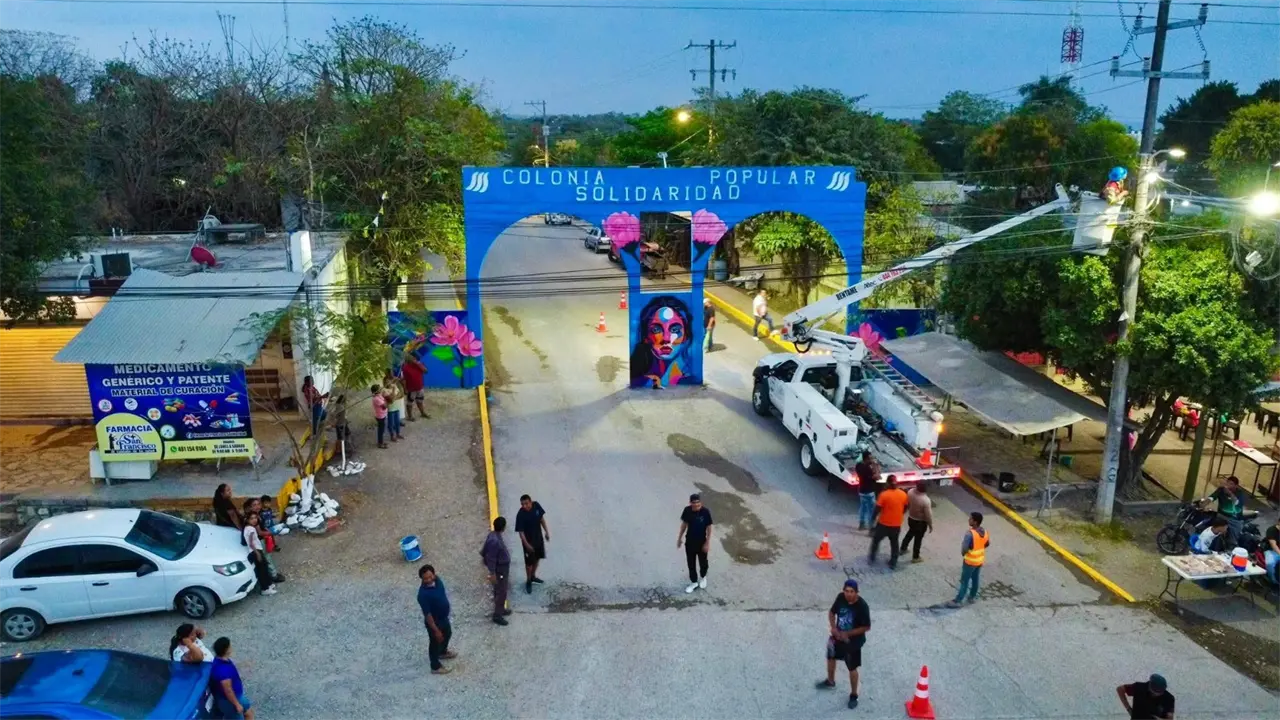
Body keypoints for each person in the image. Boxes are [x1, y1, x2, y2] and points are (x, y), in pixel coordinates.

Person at [815, 579, 871, 710]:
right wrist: (833, 627)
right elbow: (831, 612)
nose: (848, 594)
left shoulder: (862, 606)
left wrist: (848, 633)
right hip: (837, 636)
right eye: (846, 591)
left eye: (851, 592)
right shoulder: (840, 598)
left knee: (852, 668)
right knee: (830, 657)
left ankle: (854, 695)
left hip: (853, 642)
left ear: (857, 592)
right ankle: (830, 681)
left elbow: (866, 627)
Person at [418, 564, 456, 675]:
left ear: (434, 574)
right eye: (425, 578)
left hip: (444, 618)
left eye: (430, 576)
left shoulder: (437, 581)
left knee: (448, 634)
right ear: (422, 579)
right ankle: (435, 666)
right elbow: (428, 615)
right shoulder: (422, 595)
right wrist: (436, 630)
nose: (429, 580)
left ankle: (442, 652)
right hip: (435, 623)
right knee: (434, 643)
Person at [947, 512, 989, 607]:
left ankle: (958, 600)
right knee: (975, 579)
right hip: (979, 560)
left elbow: (964, 549)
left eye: (970, 519)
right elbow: (987, 543)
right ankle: (972, 596)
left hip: (970, 562)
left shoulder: (970, 534)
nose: (968, 520)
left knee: (964, 581)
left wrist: (965, 553)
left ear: (975, 522)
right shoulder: (985, 532)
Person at [868, 475, 908, 569]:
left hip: (883, 524)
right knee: (894, 543)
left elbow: (877, 509)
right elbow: (906, 506)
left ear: (888, 483)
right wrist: (900, 513)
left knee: (876, 540)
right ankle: (893, 563)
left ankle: (872, 557)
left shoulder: (884, 494)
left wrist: (872, 520)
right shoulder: (903, 494)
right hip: (896, 524)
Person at [210, 637, 254, 720]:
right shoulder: (223, 671)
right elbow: (228, 690)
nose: (231, 647)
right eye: (230, 646)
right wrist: (237, 705)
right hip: (230, 701)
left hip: (237, 695)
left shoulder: (220, 660)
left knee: (248, 713)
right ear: (226, 650)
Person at [677, 493, 714, 594]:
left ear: (700, 503)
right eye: (695, 504)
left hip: (701, 542)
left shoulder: (705, 512)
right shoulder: (687, 511)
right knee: (691, 563)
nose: (697, 506)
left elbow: (709, 527)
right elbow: (684, 525)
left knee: (703, 562)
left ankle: (703, 577)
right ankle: (693, 582)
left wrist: (707, 542)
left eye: (699, 504)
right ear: (691, 503)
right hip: (690, 542)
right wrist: (679, 538)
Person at [514, 495, 550, 594]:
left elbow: (541, 519)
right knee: (529, 564)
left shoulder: (536, 505)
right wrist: (527, 545)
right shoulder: (520, 515)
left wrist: (546, 532)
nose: (524, 506)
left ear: (531, 502)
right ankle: (528, 580)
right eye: (522, 504)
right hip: (528, 543)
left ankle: (533, 576)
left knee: (537, 558)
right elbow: (521, 533)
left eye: (526, 503)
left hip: (538, 539)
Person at [481, 516, 512, 626]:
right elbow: (491, 558)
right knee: (501, 591)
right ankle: (497, 615)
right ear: (503, 527)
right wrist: (493, 573)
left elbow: (485, 551)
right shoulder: (495, 541)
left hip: (501, 568)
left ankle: (501, 609)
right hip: (500, 570)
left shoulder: (493, 535)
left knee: (499, 590)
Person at [244, 498, 284, 583]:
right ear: (250, 507)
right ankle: (274, 575)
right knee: (267, 557)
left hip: (261, 540)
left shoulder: (258, 515)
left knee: (267, 557)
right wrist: (271, 532)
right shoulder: (253, 518)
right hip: (259, 541)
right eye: (254, 505)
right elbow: (260, 532)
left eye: (258, 504)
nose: (257, 506)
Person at [1204, 475, 1247, 545]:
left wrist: (1229, 493)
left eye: (1231, 484)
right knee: (1214, 529)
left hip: (1234, 518)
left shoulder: (1240, 493)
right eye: (1228, 483)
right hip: (1221, 515)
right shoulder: (1221, 490)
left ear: (1236, 486)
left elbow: (1237, 503)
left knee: (1233, 538)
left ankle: (1232, 545)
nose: (1228, 485)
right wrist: (1205, 502)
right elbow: (1212, 497)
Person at [242, 512, 277, 596]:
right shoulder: (250, 529)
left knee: (264, 567)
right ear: (247, 520)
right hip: (256, 550)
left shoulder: (248, 528)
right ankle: (265, 588)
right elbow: (251, 543)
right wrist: (257, 553)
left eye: (255, 518)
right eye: (252, 518)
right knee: (262, 570)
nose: (254, 520)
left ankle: (268, 584)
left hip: (257, 549)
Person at [900, 482, 934, 563]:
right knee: (918, 540)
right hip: (920, 523)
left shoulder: (910, 492)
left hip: (911, 518)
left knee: (910, 533)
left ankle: (903, 548)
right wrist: (930, 525)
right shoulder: (926, 500)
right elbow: (928, 515)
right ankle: (916, 557)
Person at [853, 452, 879, 531]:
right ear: (866, 459)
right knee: (871, 510)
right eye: (870, 458)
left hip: (861, 491)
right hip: (869, 492)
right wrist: (875, 465)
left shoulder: (858, 466)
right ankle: (871, 527)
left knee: (863, 508)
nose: (871, 459)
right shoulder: (868, 469)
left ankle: (861, 524)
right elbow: (877, 477)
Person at [401, 354, 429, 421]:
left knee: (420, 401)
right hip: (411, 389)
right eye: (411, 358)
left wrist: (418, 364)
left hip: (420, 387)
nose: (413, 359)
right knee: (409, 403)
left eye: (414, 357)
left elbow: (426, 371)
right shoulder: (405, 367)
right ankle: (410, 416)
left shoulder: (420, 365)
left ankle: (422, 413)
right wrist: (405, 389)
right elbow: (404, 379)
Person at [383, 373, 405, 442]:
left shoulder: (394, 386)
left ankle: (398, 434)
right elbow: (391, 400)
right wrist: (393, 391)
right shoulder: (384, 390)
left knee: (397, 422)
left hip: (397, 407)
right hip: (391, 409)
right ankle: (392, 436)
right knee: (390, 423)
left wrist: (394, 398)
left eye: (389, 381)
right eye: (386, 382)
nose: (388, 383)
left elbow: (401, 394)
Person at [371, 384, 389, 449]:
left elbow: (385, 403)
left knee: (382, 429)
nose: (380, 389)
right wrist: (386, 402)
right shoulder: (376, 399)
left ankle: (381, 442)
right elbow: (385, 406)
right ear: (376, 391)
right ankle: (380, 443)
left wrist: (386, 402)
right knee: (381, 430)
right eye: (379, 389)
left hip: (382, 415)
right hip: (380, 416)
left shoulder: (379, 396)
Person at [1265, 516, 1280, 585]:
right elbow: (1273, 545)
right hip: (1271, 551)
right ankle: (1273, 581)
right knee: (1270, 563)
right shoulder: (1271, 530)